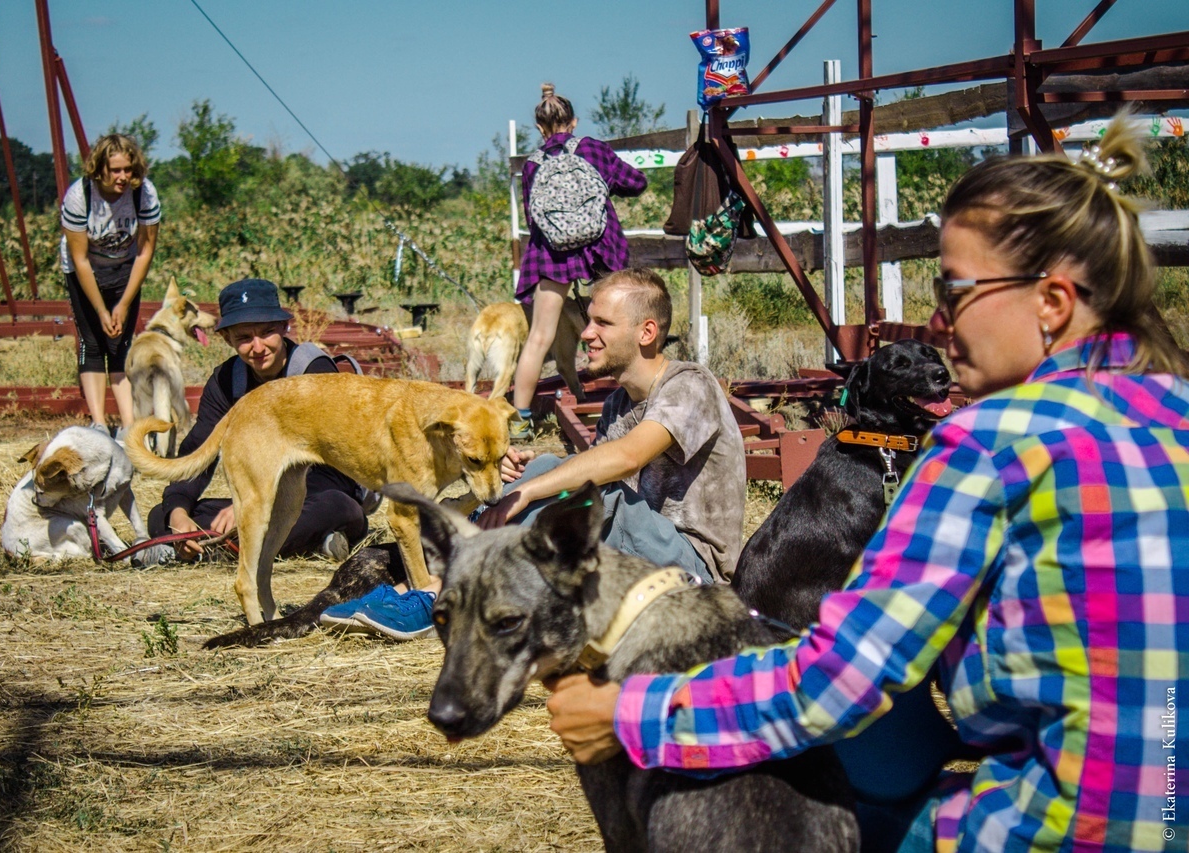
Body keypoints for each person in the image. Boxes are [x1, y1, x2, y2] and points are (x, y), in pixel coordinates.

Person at [545, 118, 1189, 852]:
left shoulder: (991, 443)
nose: (939, 321)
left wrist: (634, 712)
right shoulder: (1176, 417)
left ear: (1053, 300)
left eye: (955, 288)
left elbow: (842, 679)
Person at [481, 268, 745, 585]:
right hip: (632, 551)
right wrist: (524, 470)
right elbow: (588, 471)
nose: (586, 333)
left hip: (693, 566)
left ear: (646, 333)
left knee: (597, 492)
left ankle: (459, 578)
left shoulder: (691, 384)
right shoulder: (617, 405)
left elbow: (626, 458)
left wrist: (528, 492)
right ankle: (469, 549)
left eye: (603, 323)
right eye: (590, 320)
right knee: (552, 468)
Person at [147, 278, 368, 565]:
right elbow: (198, 452)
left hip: (320, 493)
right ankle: (309, 545)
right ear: (227, 339)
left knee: (338, 507)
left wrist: (254, 505)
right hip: (258, 504)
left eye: (267, 333)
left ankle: (218, 549)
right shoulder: (226, 382)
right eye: (244, 337)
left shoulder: (313, 371)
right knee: (161, 514)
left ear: (284, 328)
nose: (258, 346)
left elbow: (336, 469)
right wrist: (177, 511)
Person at [509, 83, 647, 440]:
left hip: (552, 254)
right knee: (622, 326)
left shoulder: (532, 165)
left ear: (540, 129)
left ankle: (520, 421)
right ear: (574, 122)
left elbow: (532, 217)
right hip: (602, 247)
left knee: (539, 337)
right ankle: (641, 400)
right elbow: (637, 182)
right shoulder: (592, 149)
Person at [61, 133, 161, 436]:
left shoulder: (144, 193)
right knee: (92, 343)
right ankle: (100, 424)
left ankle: (129, 426)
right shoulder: (80, 196)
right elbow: (80, 259)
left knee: (121, 344)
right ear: (99, 168)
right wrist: (102, 311)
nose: (123, 177)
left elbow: (145, 251)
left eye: (128, 169)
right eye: (115, 170)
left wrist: (123, 304)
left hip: (125, 269)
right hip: (85, 271)